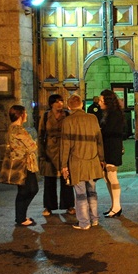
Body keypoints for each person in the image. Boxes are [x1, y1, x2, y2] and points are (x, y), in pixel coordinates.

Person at [60, 94, 105, 230]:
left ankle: (84, 223)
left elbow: (65, 145)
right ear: (81, 104)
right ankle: (95, 219)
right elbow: (99, 140)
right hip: (93, 160)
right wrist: (102, 159)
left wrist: (63, 165)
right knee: (92, 192)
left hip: (77, 162)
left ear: (69, 107)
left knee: (80, 194)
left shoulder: (68, 121)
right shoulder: (93, 118)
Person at [38, 94, 75, 216]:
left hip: (64, 149)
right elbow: (40, 134)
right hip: (50, 150)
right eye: (57, 102)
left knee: (66, 179)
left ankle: (69, 205)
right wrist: (41, 152)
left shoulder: (67, 115)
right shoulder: (45, 116)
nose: (60, 104)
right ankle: (49, 206)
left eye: (61, 101)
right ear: (51, 104)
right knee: (49, 180)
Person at [7, 105, 39, 227]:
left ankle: (21, 216)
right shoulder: (19, 130)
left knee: (25, 190)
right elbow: (32, 146)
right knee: (29, 189)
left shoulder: (12, 128)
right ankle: (20, 218)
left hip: (19, 162)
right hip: (24, 164)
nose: (26, 115)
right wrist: (32, 143)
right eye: (25, 113)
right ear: (21, 114)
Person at [99, 89, 126, 218]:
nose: (99, 102)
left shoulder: (114, 114)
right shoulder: (109, 113)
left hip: (112, 148)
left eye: (101, 100)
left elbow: (111, 131)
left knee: (112, 176)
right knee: (107, 177)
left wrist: (100, 131)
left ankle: (117, 206)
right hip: (108, 147)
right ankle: (114, 205)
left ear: (107, 101)